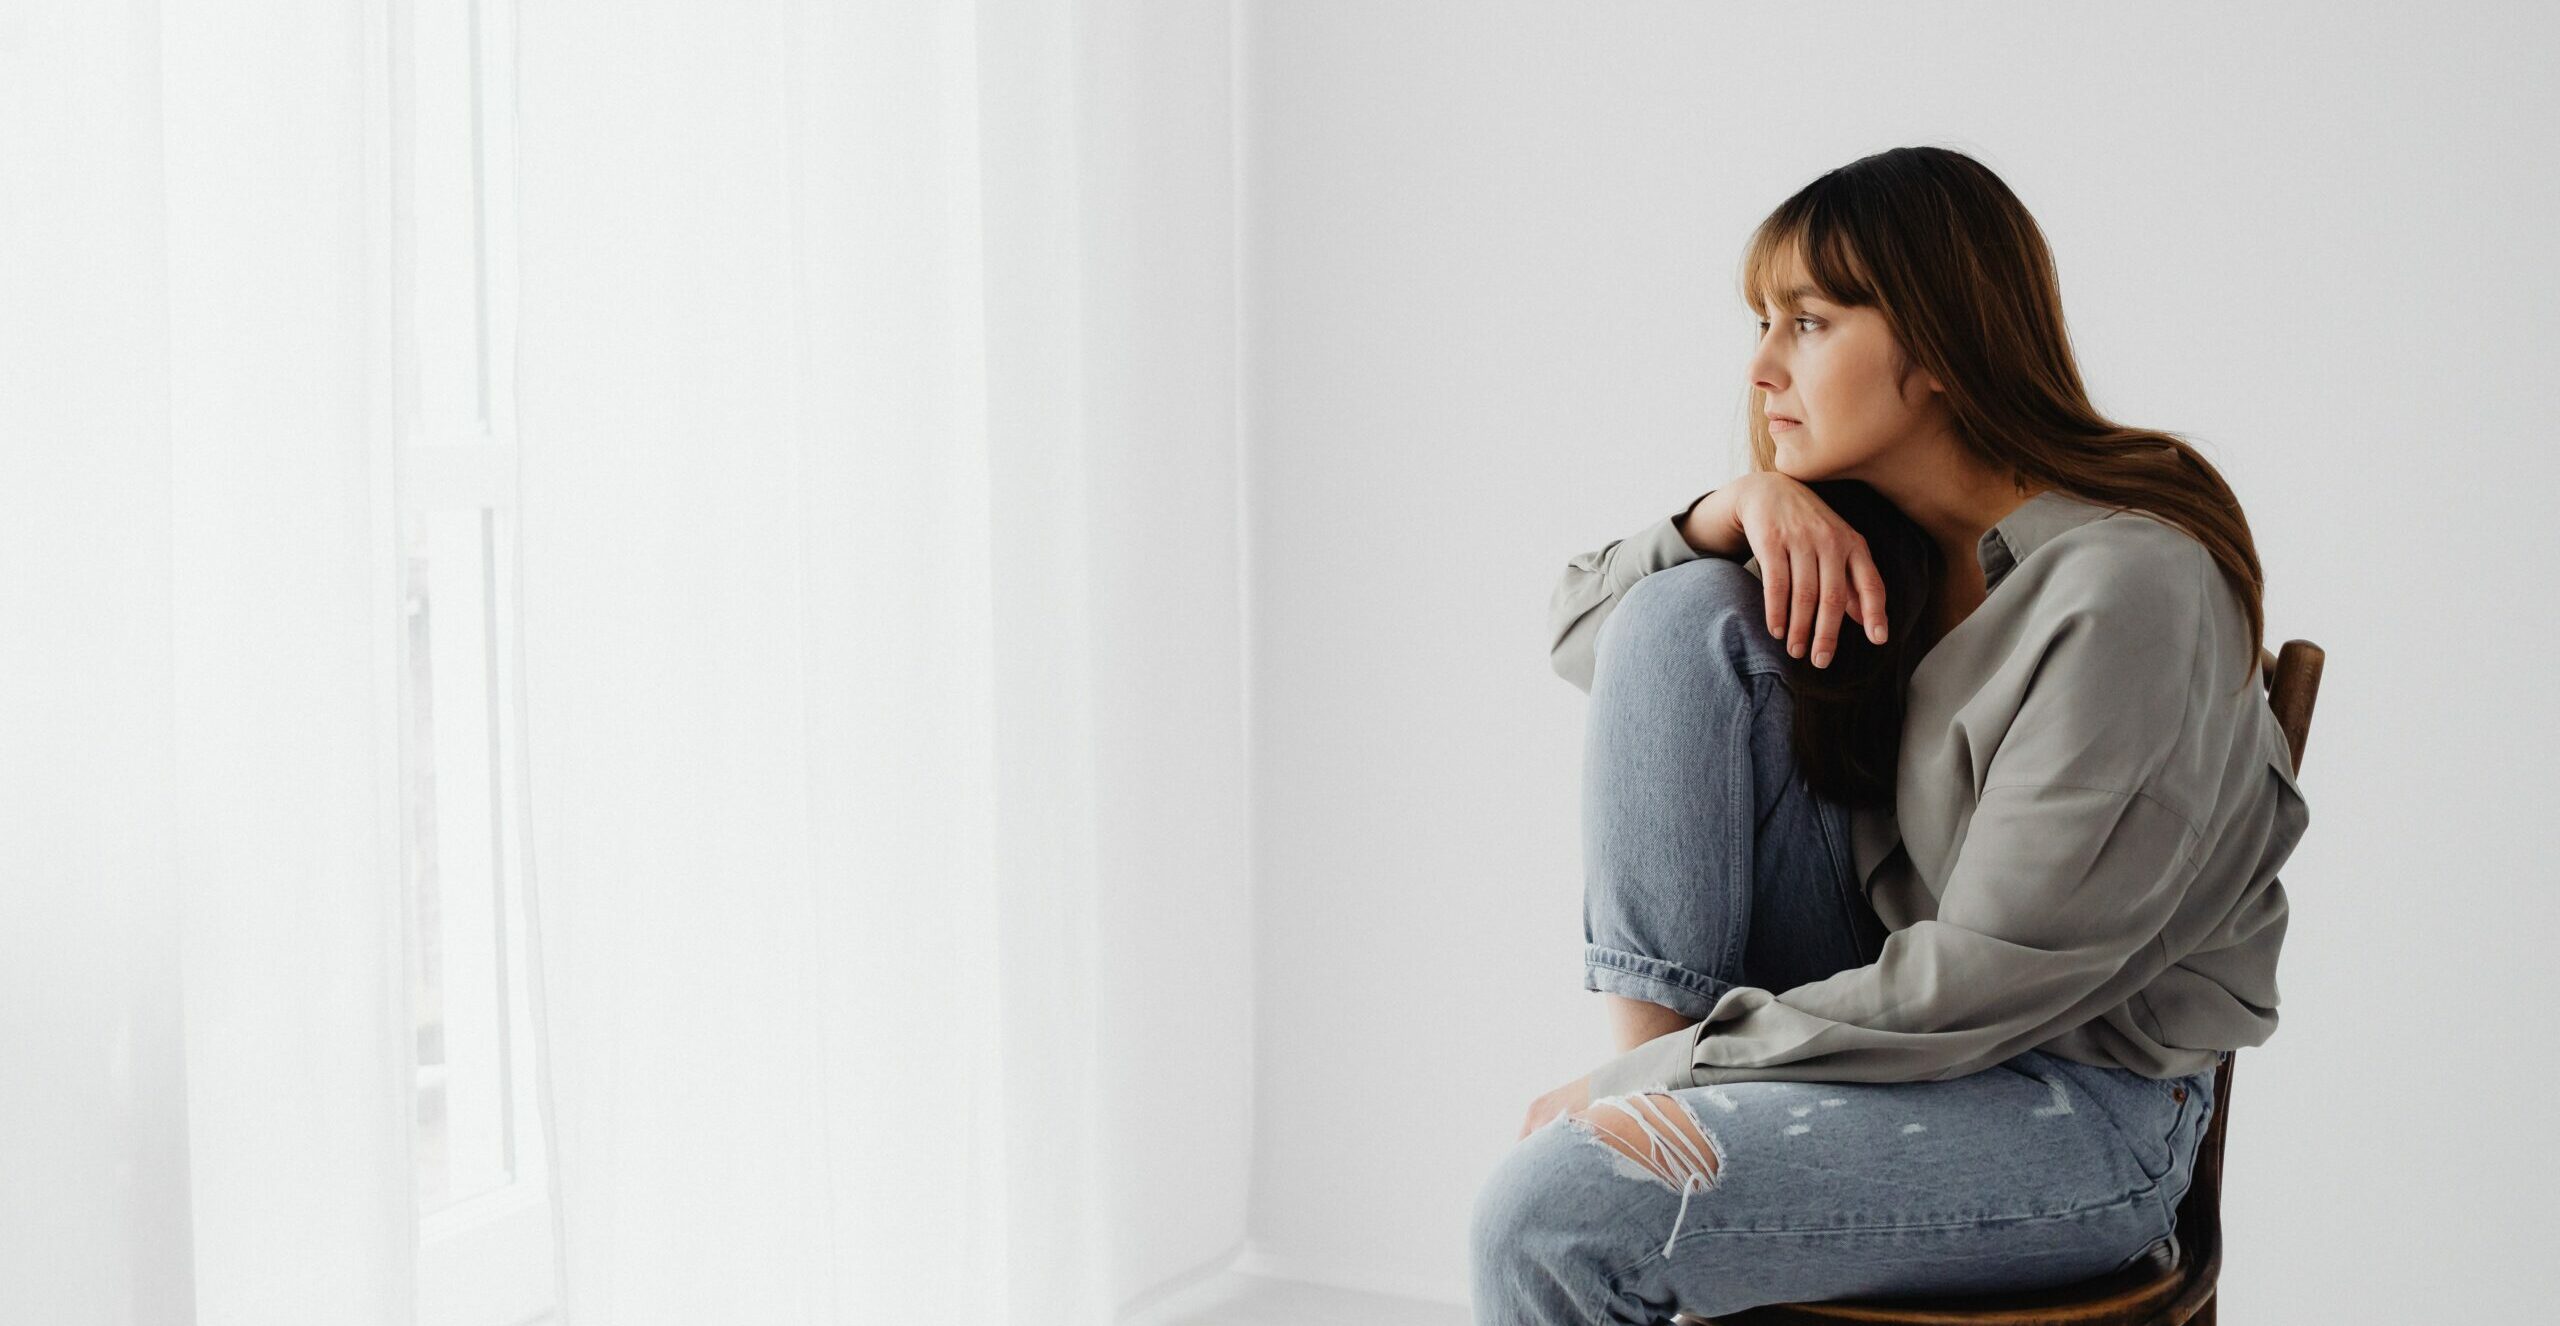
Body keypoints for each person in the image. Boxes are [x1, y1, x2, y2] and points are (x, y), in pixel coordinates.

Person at [1469, 146, 2310, 1324]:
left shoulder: (2126, 590)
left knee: (1553, 1214)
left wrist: (1654, 1076)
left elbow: (1990, 980)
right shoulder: (1880, 562)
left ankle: (1649, 1123)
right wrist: (1730, 511)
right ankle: (1651, 1128)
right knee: (1682, 613)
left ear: (1937, 343)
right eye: (1762, 323)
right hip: (1886, 1018)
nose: (1760, 367)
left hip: (2072, 1105)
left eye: (1806, 322)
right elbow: (1590, 645)